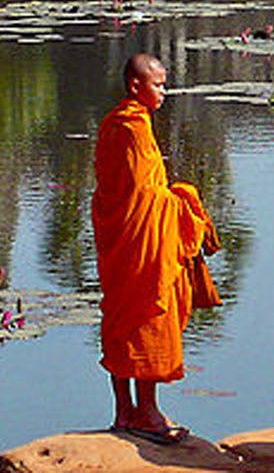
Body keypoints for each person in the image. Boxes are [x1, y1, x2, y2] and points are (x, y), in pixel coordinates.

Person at [92, 53, 217, 446]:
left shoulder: (115, 123)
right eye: (158, 84)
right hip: (140, 244)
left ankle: (124, 411)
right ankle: (145, 413)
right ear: (135, 86)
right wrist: (185, 200)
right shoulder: (132, 129)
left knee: (120, 317)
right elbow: (146, 196)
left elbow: (113, 194)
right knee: (147, 314)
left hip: (121, 242)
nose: (165, 91)